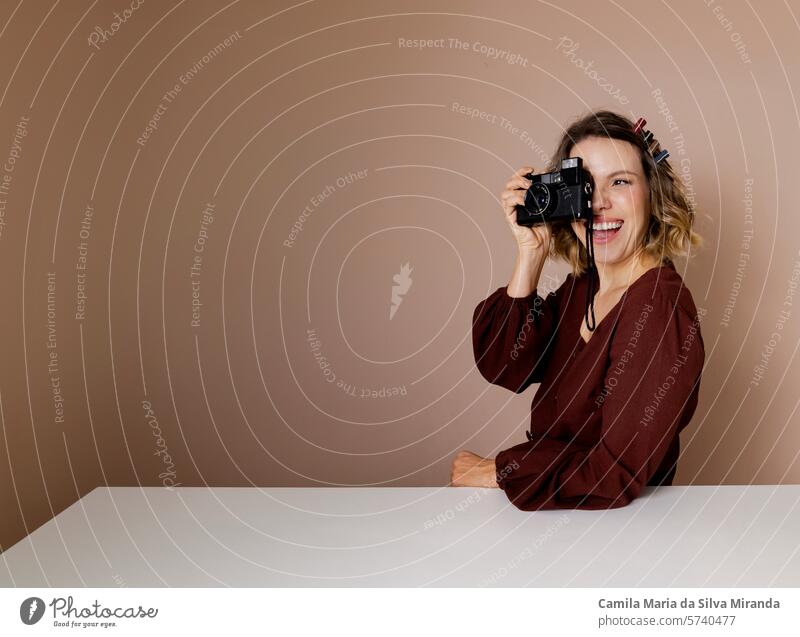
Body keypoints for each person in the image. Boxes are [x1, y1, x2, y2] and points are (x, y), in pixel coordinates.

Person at [450, 110, 705, 510]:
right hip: (564, 519)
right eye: (584, 186)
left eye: (620, 181)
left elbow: (613, 474)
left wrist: (499, 470)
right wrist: (530, 254)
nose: (599, 203)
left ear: (653, 195)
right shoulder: (584, 287)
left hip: (615, 531)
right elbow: (504, 365)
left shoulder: (656, 307)